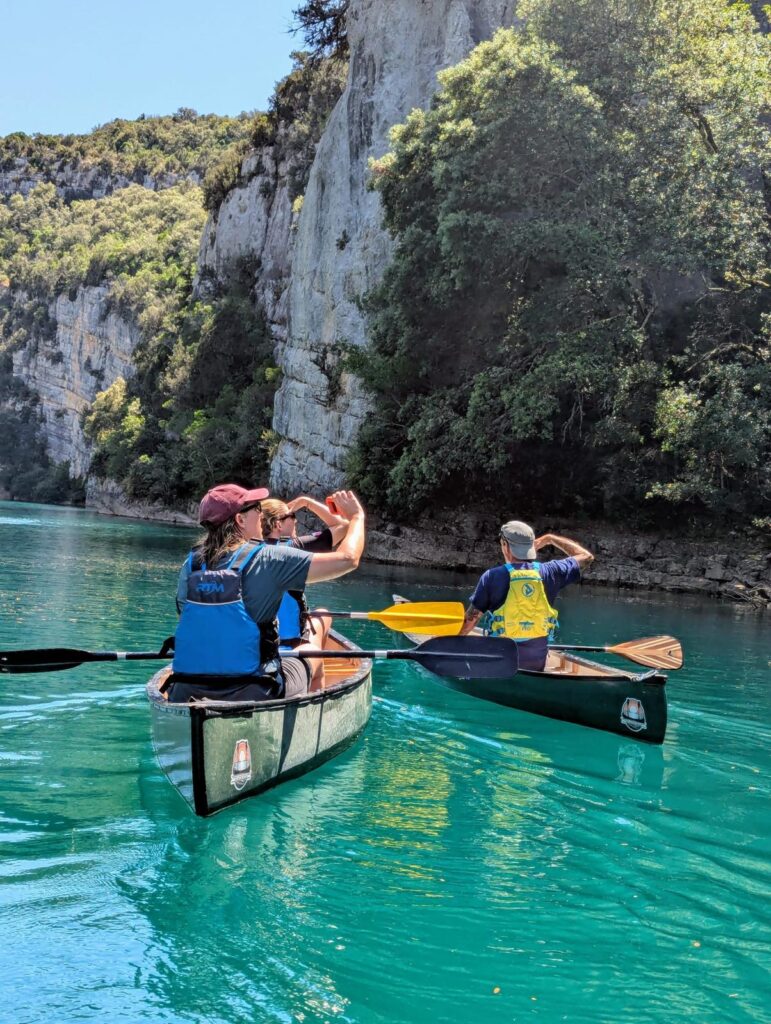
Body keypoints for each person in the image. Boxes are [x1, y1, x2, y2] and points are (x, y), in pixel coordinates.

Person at [167, 483, 366, 703]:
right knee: (311, 650)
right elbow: (348, 559)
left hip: (184, 689)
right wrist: (357, 517)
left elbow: (189, 618)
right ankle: (312, 712)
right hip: (253, 689)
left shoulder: (192, 564)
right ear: (240, 520)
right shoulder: (269, 559)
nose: (261, 514)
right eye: (256, 509)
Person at [461, 521, 593, 671]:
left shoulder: (492, 576)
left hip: (499, 663)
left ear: (505, 544)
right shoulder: (551, 572)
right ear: (531, 546)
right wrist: (550, 539)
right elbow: (586, 557)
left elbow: (470, 621)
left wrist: (450, 642)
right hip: (535, 664)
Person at [260, 495, 350, 650]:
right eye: (292, 516)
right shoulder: (293, 549)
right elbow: (343, 525)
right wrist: (306, 502)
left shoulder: (246, 551)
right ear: (277, 524)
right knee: (323, 614)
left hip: (259, 646)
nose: (295, 521)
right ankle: (315, 668)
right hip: (291, 647)